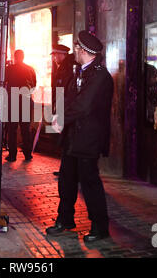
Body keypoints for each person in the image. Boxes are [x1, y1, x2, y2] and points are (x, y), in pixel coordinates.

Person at [46, 31, 113, 243]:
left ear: (83, 51)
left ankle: (100, 226)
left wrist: (61, 119)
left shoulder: (100, 75)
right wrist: (59, 117)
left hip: (88, 138)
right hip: (72, 137)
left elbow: (84, 105)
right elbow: (69, 98)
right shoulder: (79, 71)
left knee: (90, 182)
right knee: (66, 181)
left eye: (76, 48)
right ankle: (65, 220)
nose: (74, 51)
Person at [4, 49, 37, 162]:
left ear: (15, 57)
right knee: (25, 128)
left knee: (12, 129)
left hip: (13, 101)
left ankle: (12, 155)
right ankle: (28, 154)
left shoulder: (9, 69)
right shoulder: (30, 69)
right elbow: (34, 85)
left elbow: (4, 82)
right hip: (26, 100)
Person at [51, 44, 76, 176]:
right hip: (63, 108)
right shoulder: (63, 67)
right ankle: (65, 169)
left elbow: (63, 91)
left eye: (55, 55)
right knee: (65, 140)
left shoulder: (67, 69)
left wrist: (58, 109)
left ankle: (67, 171)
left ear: (62, 54)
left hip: (65, 109)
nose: (54, 58)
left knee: (67, 140)